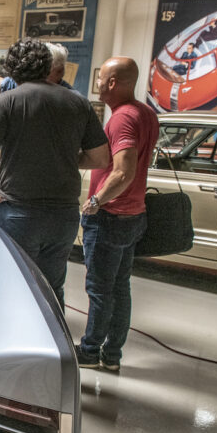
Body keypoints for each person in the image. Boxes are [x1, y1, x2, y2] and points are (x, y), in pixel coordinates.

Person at [0, 39, 110, 308]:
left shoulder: (8, 101)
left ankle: (12, 347)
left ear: (12, 70)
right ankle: (54, 348)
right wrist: (63, 157)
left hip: (21, 213)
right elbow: (101, 157)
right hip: (64, 217)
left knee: (14, 285)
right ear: (48, 67)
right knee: (51, 288)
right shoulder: (78, 103)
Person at [75, 57, 160, 372]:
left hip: (110, 216)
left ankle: (89, 350)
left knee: (99, 289)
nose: (97, 83)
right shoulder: (147, 114)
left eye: (101, 78)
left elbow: (123, 171)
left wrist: (95, 200)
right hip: (134, 216)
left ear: (112, 83)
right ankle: (112, 355)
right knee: (120, 287)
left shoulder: (123, 118)